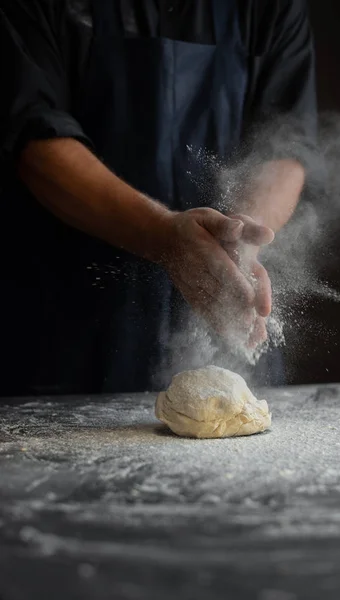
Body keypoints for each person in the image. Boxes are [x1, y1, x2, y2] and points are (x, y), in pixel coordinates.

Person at [0, 0, 316, 396]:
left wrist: (238, 239)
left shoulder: (270, 8)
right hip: (72, 321)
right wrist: (163, 236)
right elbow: (34, 138)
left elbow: (287, 146)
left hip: (224, 307)